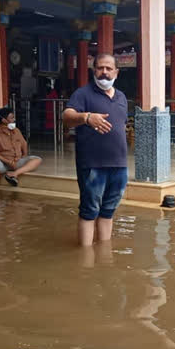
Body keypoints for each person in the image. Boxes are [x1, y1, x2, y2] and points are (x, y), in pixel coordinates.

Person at [62, 54, 128, 246]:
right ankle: (85, 259)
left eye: (109, 68)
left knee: (108, 211)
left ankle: (104, 253)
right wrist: (87, 117)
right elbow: (67, 116)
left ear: (116, 71)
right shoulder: (83, 94)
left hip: (119, 164)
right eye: (100, 68)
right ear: (94, 70)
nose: (104, 72)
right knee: (89, 211)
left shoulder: (121, 97)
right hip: (92, 164)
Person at [0, 107, 42, 190]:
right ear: (4, 120)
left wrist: (24, 155)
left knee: (37, 159)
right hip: (3, 163)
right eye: (12, 118)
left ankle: (14, 174)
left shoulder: (16, 130)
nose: (14, 119)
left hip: (16, 162)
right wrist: (9, 162)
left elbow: (24, 144)